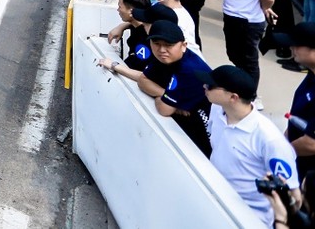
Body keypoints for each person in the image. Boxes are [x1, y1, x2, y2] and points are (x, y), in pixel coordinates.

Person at [201, 64, 301, 227]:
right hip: (215, 201)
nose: (205, 87)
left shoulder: (269, 139)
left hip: (248, 219)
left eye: (211, 86)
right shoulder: (217, 108)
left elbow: (292, 194)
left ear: (233, 97)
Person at [135, 20, 213, 155]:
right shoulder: (164, 57)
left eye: (168, 45)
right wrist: (167, 97)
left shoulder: (190, 69)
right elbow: (143, 80)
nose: (161, 50)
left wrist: (166, 101)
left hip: (205, 135)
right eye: (156, 44)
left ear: (183, 46)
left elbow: (164, 109)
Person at [275, 22, 315, 183]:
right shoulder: (311, 74)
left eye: (296, 44)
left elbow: (312, 144)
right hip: (297, 164)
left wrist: (280, 153)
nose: (291, 48)